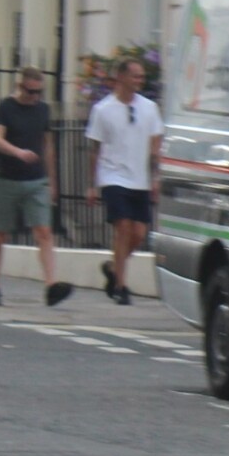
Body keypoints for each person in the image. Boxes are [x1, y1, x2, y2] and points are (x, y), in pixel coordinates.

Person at [0, 67, 73, 308]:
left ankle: (50, 285)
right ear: (20, 86)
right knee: (0, 232)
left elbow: (48, 147)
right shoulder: (5, 107)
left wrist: (53, 181)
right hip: (7, 179)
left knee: (44, 232)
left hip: (36, 181)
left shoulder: (43, 110)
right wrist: (18, 152)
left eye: (39, 92)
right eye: (31, 91)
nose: (35, 97)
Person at [87, 55, 163, 305]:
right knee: (123, 228)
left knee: (138, 234)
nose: (140, 80)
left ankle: (112, 267)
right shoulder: (103, 110)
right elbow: (95, 149)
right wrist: (92, 184)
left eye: (142, 76)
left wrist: (155, 179)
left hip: (139, 178)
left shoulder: (149, 108)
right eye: (135, 75)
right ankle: (121, 286)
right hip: (113, 176)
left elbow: (155, 145)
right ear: (121, 77)